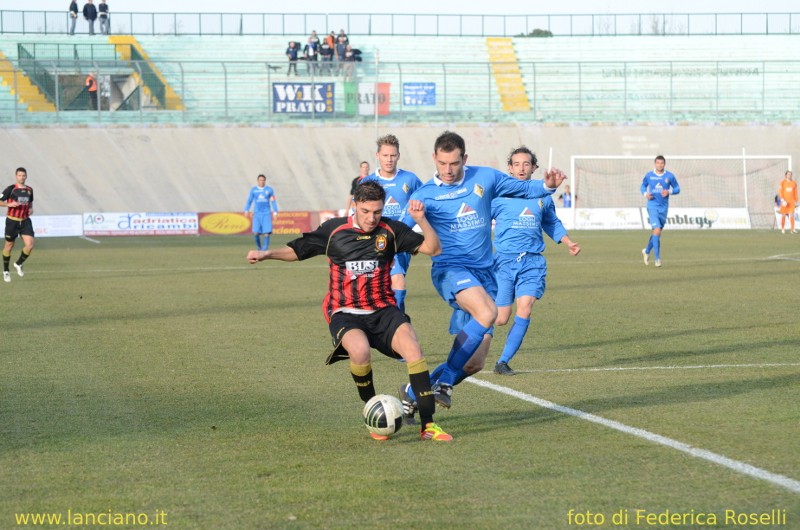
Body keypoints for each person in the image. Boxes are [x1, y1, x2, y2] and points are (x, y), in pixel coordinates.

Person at [246, 181, 452, 442]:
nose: (371, 218)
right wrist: (266, 254)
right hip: (344, 310)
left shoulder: (390, 229)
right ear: (355, 204)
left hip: (383, 309)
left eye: (377, 212)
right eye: (365, 211)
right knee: (360, 351)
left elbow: (433, 248)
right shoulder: (334, 230)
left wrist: (421, 220)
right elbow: (298, 250)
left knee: (413, 349)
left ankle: (429, 425)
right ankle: (372, 412)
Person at [398, 131, 566, 413]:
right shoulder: (424, 195)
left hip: (485, 274)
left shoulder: (485, 178)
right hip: (451, 271)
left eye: (454, 163)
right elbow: (397, 232)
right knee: (488, 313)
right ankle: (446, 382)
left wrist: (547, 186)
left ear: (464, 158)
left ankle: (414, 391)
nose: (448, 170)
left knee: (475, 363)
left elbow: (523, 189)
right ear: (434, 159)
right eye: (442, 163)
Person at [490, 147, 581, 375]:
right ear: (509, 168)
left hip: (532, 263)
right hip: (503, 262)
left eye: (526, 164)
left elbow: (551, 223)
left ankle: (503, 361)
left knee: (526, 307)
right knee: (500, 318)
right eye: (517, 164)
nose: (521, 168)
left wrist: (568, 242)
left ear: (534, 168)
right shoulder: (499, 197)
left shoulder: (543, 197)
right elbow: (478, 221)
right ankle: (471, 329)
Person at [360, 135, 422, 313]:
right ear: (377, 155)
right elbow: (358, 213)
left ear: (398, 156)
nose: (389, 159)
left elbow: (423, 201)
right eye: (385, 155)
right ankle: (398, 322)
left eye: (393, 155)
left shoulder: (410, 180)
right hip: (377, 241)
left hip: (402, 243)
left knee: (389, 286)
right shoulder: (368, 182)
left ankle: (389, 324)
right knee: (397, 281)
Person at [641, 155, 680, 268]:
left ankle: (647, 251)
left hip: (664, 208)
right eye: (657, 163)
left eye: (661, 163)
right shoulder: (649, 175)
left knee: (657, 233)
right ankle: (657, 259)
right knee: (657, 230)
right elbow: (643, 186)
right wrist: (645, 194)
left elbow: (677, 189)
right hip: (652, 205)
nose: (659, 165)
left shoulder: (669, 176)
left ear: (664, 164)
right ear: (655, 164)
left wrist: (669, 191)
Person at [1, 167, 35, 283]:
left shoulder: (30, 190)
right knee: (9, 246)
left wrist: (31, 210)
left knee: (29, 245)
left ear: (26, 176)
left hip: (25, 221)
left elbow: (30, 204)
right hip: (12, 221)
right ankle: (6, 271)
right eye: (19, 175)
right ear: (16, 176)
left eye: (23, 175)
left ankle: (18, 263)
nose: (21, 177)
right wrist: (9, 204)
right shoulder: (11, 189)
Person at [243, 174, 279, 251]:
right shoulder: (254, 190)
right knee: (255, 233)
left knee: (266, 232)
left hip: (266, 213)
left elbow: (273, 201)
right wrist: (246, 210)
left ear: (265, 181)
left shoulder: (269, 190)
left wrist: (275, 212)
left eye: (263, 180)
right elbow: (249, 200)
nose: (261, 182)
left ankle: (265, 249)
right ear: (258, 181)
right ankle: (259, 247)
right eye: (260, 180)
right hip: (257, 214)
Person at [777, 170, 798, 234]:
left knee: (791, 215)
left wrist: (796, 199)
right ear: (786, 175)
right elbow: (780, 192)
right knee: (783, 215)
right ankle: (783, 228)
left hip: (791, 202)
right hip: (784, 202)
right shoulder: (782, 182)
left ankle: (792, 229)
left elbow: (795, 192)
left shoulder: (794, 183)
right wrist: (782, 200)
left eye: (790, 174)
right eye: (788, 174)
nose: (789, 175)